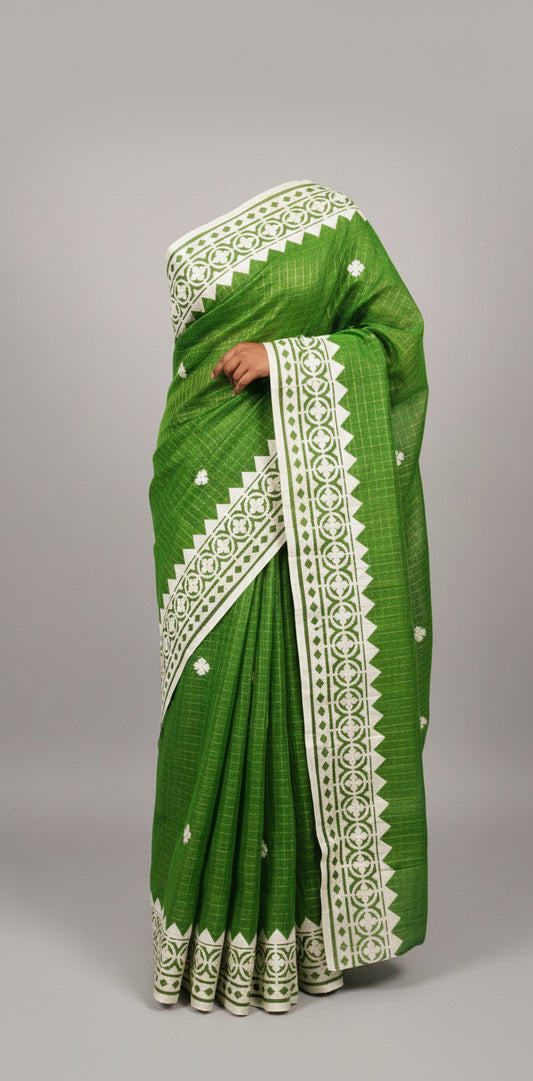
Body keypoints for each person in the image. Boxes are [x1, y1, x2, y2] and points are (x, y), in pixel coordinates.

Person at [148, 178, 432, 1016]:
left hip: (293, 484)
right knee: (212, 694)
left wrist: (290, 360)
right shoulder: (198, 255)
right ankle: (200, 934)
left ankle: (297, 931)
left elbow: (397, 339)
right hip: (205, 470)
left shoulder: (331, 224)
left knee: (291, 687)